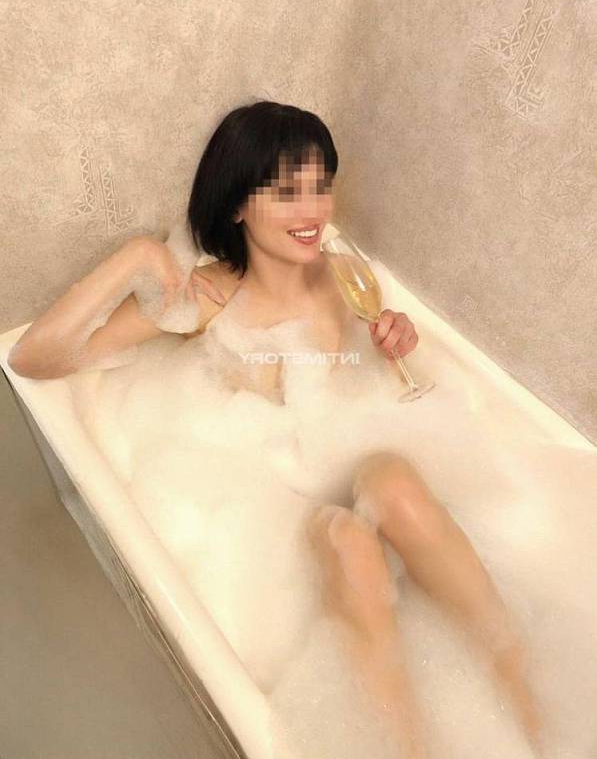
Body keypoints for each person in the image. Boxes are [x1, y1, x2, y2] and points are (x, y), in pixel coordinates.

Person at [8, 100, 546, 757]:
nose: (312, 209)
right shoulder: (207, 297)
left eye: (320, 185)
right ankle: (403, 745)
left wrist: (394, 341)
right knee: (348, 541)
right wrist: (136, 257)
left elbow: (364, 378)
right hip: (271, 507)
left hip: (343, 452)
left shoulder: (342, 275)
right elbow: (34, 358)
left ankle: (524, 698)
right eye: (287, 192)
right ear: (237, 204)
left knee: (397, 484)